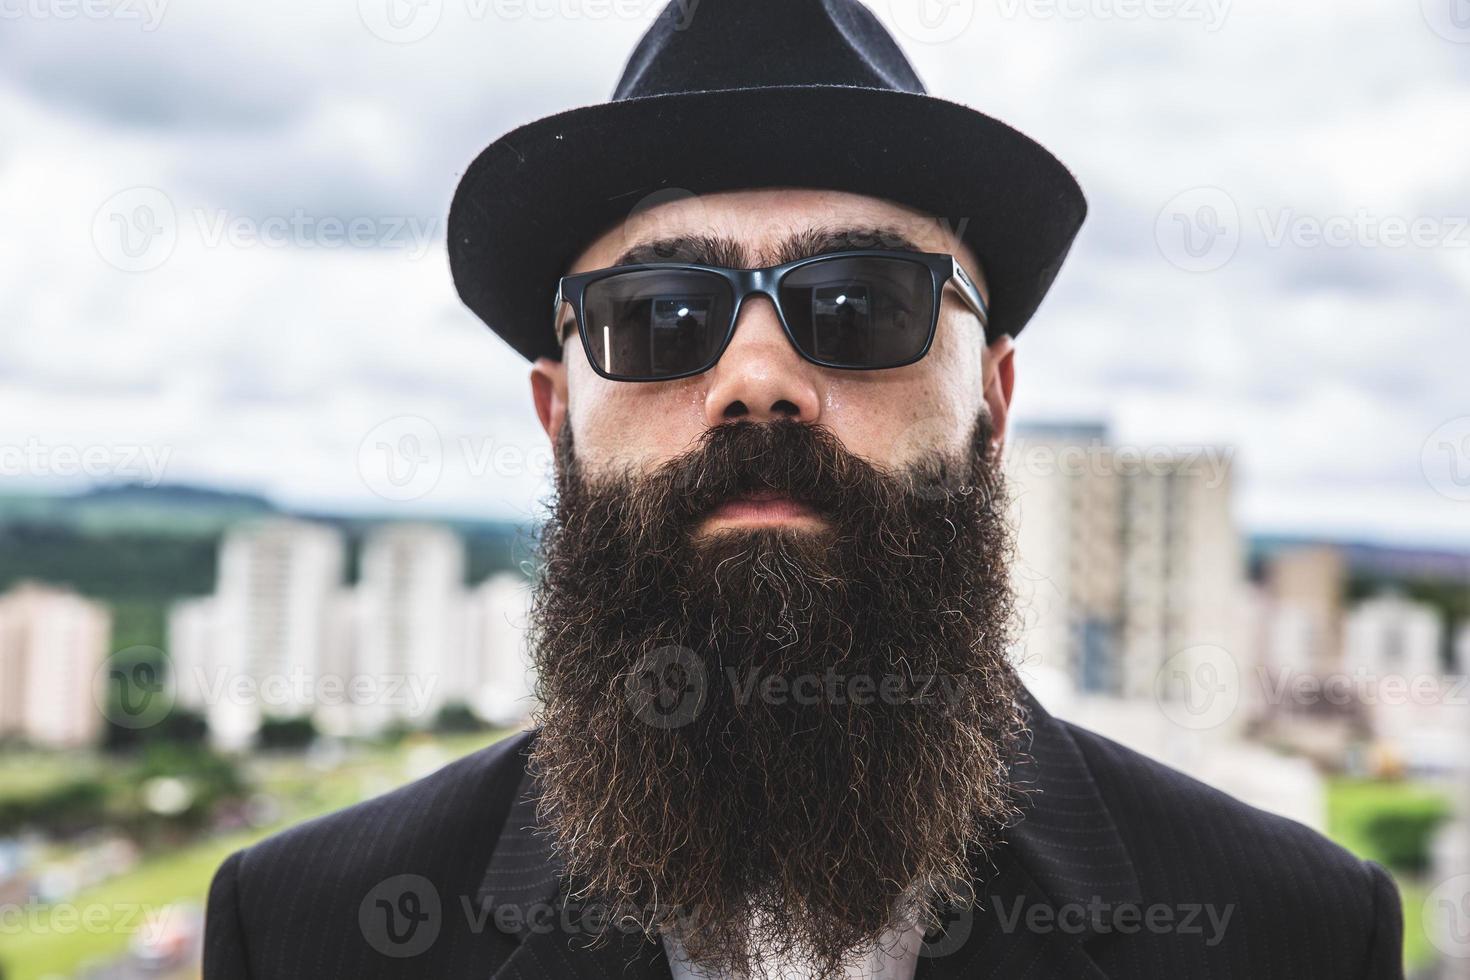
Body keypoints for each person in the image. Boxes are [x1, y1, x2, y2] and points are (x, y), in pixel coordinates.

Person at [203, 1, 1404, 977]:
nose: (757, 380)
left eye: (863, 303)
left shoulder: (1284, 930)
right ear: (558, 414)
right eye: (660, 316)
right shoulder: (311, 927)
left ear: (992, 401)